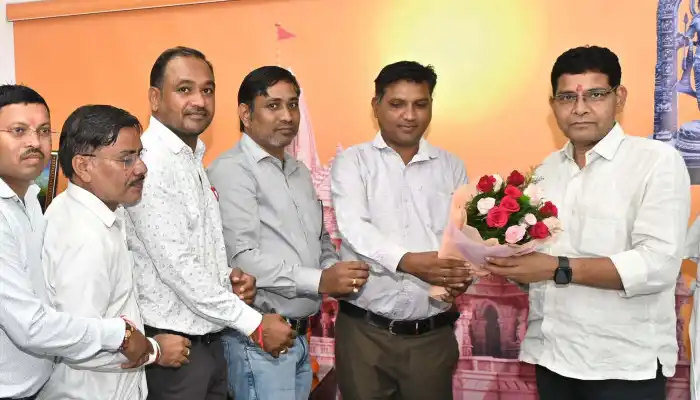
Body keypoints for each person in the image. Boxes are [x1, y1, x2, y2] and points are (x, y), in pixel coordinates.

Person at [484, 45, 691, 400]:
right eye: (567, 97)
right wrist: (509, 265)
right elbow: (539, 262)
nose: (579, 108)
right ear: (553, 105)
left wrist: (554, 268)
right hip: (552, 357)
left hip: (623, 366)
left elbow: (658, 265)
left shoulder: (656, 162)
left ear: (619, 97)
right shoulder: (545, 171)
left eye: (595, 95)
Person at [122, 47, 295, 400]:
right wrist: (254, 323)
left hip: (209, 342)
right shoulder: (149, 162)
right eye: (184, 89)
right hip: (173, 350)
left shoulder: (191, 158)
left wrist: (228, 277)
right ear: (155, 98)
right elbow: (177, 266)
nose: (199, 101)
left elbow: (194, 251)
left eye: (207, 90)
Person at [207, 66, 369, 400]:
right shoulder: (232, 169)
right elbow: (241, 258)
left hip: (298, 337)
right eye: (273, 105)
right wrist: (321, 280)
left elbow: (320, 240)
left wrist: (334, 271)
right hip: (258, 338)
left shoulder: (299, 172)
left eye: (292, 105)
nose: (287, 116)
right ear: (245, 114)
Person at [330, 61, 472, 400]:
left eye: (420, 104)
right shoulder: (353, 162)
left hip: (431, 339)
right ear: (376, 105)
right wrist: (408, 262)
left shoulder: (452, 167)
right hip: (365, 335)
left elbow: (463, 239)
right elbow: (354, 227)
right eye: (397, 104)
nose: (409, 115)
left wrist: (463, 276)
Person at [0, 84, 152, 400]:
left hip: (36, 385)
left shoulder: (30, 198)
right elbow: (31, 326)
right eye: (18, 131)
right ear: (83, 166)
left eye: (44, 131)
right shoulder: (78, 230)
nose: (34, 142)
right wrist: (130, 339)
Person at [39, 105, 194, 400]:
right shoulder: (84, 237)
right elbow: (78, 341)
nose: (141, 168)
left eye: (139, 155)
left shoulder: (92, 211)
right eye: (126, 159)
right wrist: (155, 351)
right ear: (83, 166)